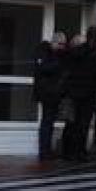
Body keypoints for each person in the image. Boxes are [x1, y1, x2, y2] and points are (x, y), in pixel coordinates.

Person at [61, 31, 96, 161]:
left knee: (71, 123)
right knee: (83, 123)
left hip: (73, 92)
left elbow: (67, 70)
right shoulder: (95, 54)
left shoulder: (74, 52)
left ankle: (67, 151)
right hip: (88, 93)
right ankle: (80, 151)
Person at [33, 32, 66, 161]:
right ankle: (44, 151)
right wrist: (59, 62)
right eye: (61, 44)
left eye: (64, 44)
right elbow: (44, 68)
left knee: (49, 122)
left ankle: (47, 150)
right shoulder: (43, 52)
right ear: (54, 42)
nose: (62, 47)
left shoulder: (54, 54)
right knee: (47, 122)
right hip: (47, 93)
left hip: (53, 92)